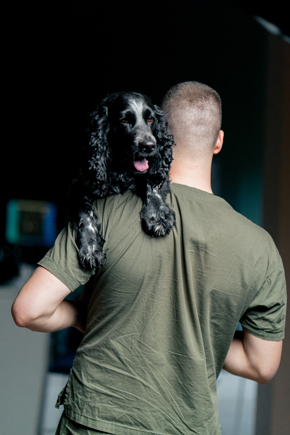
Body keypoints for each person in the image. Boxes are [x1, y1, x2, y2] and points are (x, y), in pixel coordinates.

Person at [12, 81, 287, 435]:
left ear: (158, 131)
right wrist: (203, 336)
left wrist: (86, 315)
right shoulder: (260, 247)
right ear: (218, 141)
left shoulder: (103, 213)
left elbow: (29, 309)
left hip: (95, 423)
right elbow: (260, 365)